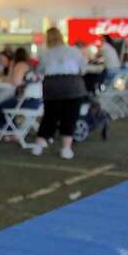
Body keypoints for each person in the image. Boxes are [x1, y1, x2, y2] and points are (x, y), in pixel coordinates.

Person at [32, 27, 87, 159]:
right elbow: (83, 68)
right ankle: (66, 149)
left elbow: (39, 71)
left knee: (49, 117)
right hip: (72, 87)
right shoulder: (73, 51)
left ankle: (38, 145)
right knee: (70, 118)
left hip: (52, 87)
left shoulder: (45, 53)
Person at [0, 47, 39, 130]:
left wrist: (11, 67)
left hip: (26, 101)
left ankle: (10, 131)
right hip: (36, 101)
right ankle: (12, 131)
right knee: (7, 105)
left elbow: (16, 82)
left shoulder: (19, 65)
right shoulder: (27, 65)